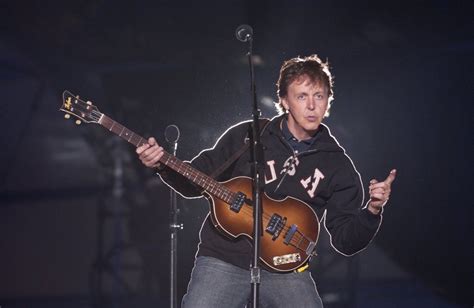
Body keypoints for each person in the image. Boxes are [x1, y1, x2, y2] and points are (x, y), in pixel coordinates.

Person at [136, 54, 397, 307]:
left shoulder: (337, 164)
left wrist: (373, 211)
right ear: (284, 100)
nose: (311, 106)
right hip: (224, 257)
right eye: (301, 96)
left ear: (329, 101)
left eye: (319, 96)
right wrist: (162, 165)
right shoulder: (248, 136)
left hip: (287, 266)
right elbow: (196, 179)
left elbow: (345, 241)